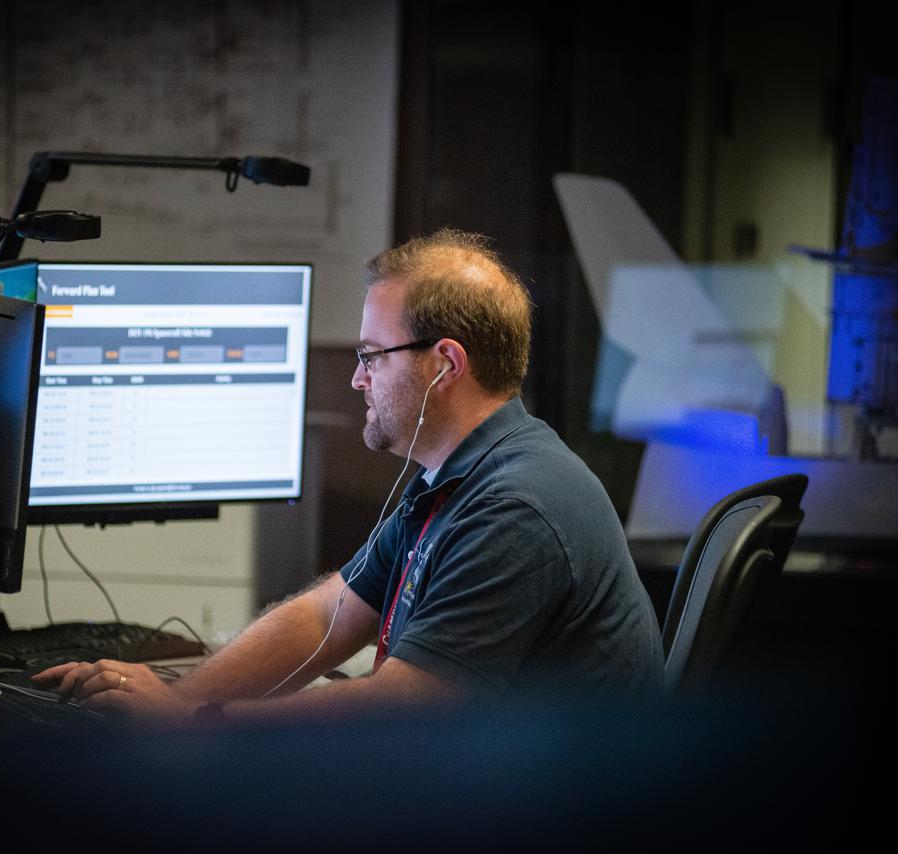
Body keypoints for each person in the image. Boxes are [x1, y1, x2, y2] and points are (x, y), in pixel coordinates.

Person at [34, 229, 664, 723]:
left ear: (445, 364)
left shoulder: (519, 506)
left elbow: (399, 711)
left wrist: (195, 724)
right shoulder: (452, 478)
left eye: (371, 356)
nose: (357, 378)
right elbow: (326, 616)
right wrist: (179, 701)